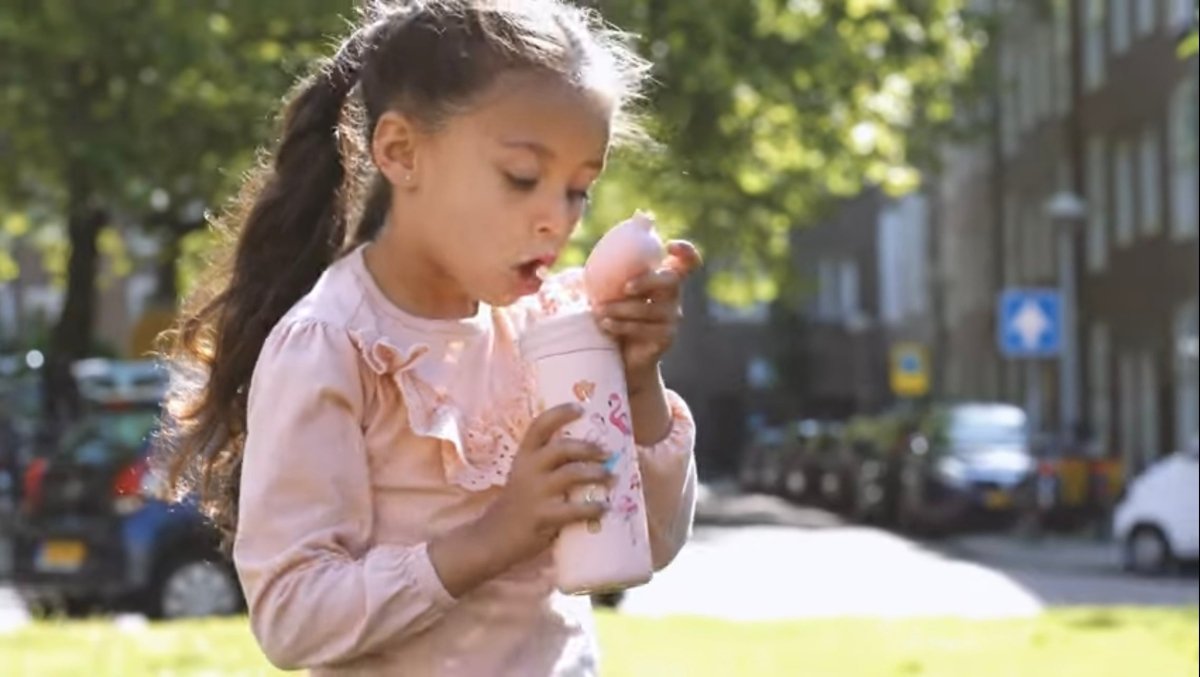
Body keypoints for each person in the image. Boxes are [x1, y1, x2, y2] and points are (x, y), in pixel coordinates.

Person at [156, 1, 701, 674]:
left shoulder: (550, 326)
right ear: (401, 152)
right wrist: (494, 535)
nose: (555, 220)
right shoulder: (335, 343)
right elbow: (291, 619)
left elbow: (650, 539)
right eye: (523, 178)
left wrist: (639, 380)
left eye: (579, 189)